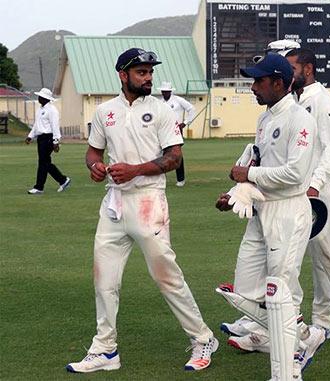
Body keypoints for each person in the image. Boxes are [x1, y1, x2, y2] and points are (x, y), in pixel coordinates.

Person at [66, 48, 218, 373]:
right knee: (103, 279)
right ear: (123, 75)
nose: (148, 78)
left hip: (149, 201)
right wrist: (94, 167)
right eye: (141, 72)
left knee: (166, 276)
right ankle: (106, 349)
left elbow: (174, 158)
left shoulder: (162, 110)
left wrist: (135, 170)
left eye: (149, 72)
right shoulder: (105, 111)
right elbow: (93, 153)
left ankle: (202, 338)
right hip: (114, 204)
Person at [223, 47, 330, 353]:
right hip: (284, 194)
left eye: (293, 67)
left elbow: (328, 152)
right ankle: (300, 327)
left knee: (329, 259)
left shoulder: (322, 102)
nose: (290, 74)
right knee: (284, 269)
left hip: (316, 192)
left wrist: (314, 186)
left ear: (307, 69)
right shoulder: (279, 109)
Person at [214, 52, 323, 380]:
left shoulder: (300, 119)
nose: (252, 87)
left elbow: (294, 174)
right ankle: (304, 336)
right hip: (261, 212)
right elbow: (258, 162)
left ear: (278, 82)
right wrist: (235, 194)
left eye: (258, 81)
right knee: (246, 293)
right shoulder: (264, 120)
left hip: (289, 211)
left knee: (278, 291)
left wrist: (248, 175)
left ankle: (288, 370)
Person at [25, 88, 71, 194]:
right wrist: (30, 136)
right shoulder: (40, 110)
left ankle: (39, 187)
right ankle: (63, 180)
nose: (39, 98)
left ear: (46, 98)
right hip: (41, 139)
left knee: (43, 163)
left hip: (49, 138)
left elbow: (55, 126)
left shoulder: (52, 110)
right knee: (45, 163)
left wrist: (55, 141)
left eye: (41, 96)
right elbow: (37, 125)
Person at [159, 82, 196, 187]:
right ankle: (160, 178)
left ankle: (181, 179)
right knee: (160, 154)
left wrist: (185, 122)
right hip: (163, 130)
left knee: (177, 154)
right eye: (163, 91)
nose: (164, 93)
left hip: (176, 130)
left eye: (166, 92)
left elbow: (191, 109)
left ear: (170, 91)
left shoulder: (178, 100)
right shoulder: (160, 102)